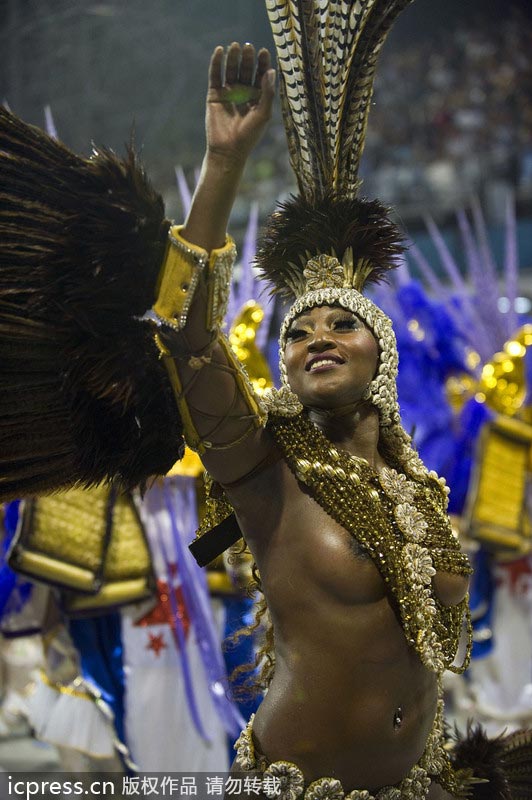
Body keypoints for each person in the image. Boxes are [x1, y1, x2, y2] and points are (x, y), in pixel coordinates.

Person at [150, 39, 475, 800]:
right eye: (297, 332)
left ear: (381, 353)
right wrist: (223, 164)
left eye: (340, 325)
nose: (316, 338)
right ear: (286, 363)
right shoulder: (265, 467)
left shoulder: (416, 483)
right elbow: (181, 333)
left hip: (426, 780)